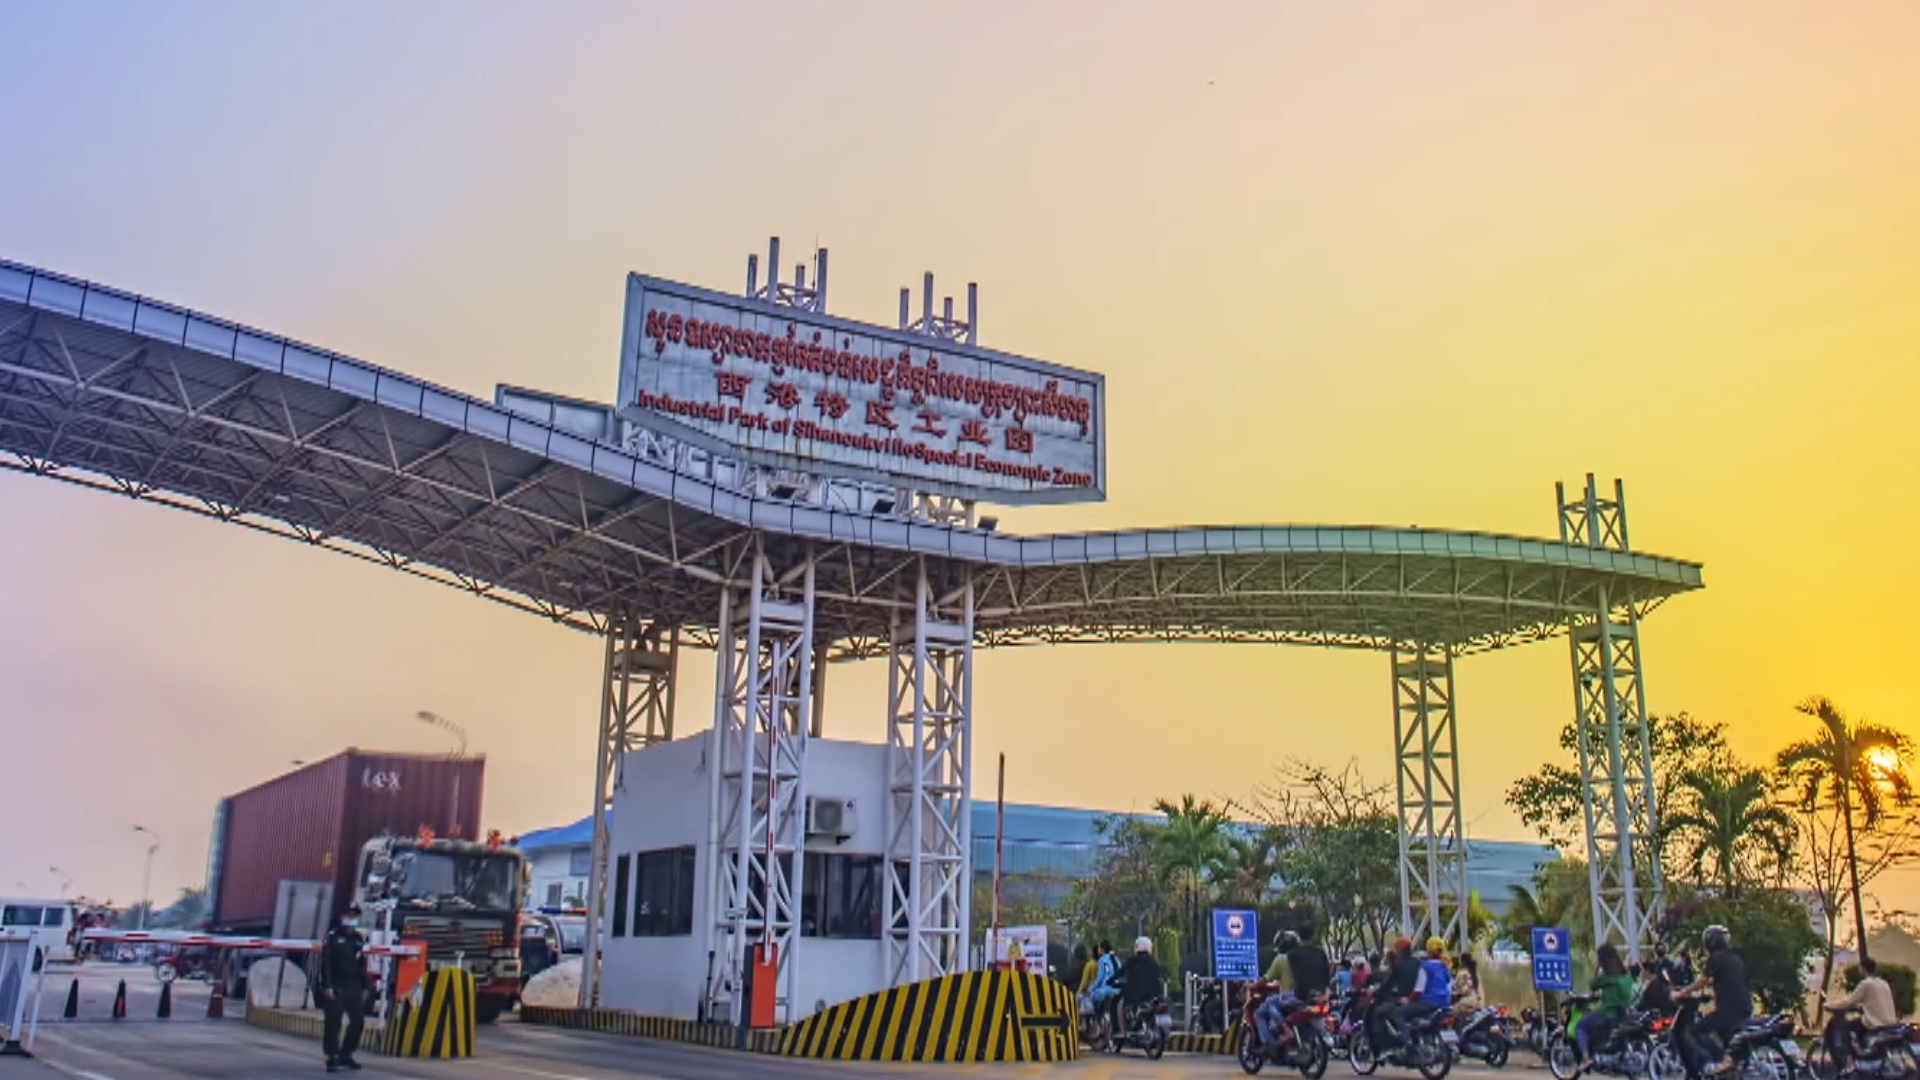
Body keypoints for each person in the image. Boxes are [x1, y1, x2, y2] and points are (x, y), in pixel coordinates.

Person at [1679, 925, 1750, 1077]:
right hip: (1744, 1007)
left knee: (1694, 1031)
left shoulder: (1716, 958)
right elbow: (1726, 980)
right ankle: (1728, 1064)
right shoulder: (1735, 958)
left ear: (1710, 942)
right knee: (1727, 1037)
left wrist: (1683, 992)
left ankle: (1712, 1062)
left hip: (1727, 1010)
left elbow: (1702, 981)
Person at [314, 905, 368, 1073]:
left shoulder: (358, 938)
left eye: (355, 916)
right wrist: (328, 985)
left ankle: (346, 1054)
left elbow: (363, 964)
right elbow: (326, 963)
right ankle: (332, 1056)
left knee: (358, 1021)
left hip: (354, 985)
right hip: (337, 985)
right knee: (333, 1022)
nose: (352, 919)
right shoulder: (333, 938)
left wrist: (365, 986)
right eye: (349, 915)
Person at [1824, 956, 1898, 1075]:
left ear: (1863, 969)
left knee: (1845, 1028)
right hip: (1890, 1021)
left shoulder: (1865, 984)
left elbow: (1849, 1001)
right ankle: (1863, 1050)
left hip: (1874, 1021)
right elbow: (1873, 1001)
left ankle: (1849, 1063)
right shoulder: (1883, 983)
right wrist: (1861, 1006)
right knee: (1858, 1025)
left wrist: (1829, 1005)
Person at [1577, 944, 1636, 1070]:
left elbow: (1592, 985)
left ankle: (1586, 1059)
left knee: (1581, 1026)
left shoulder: (1606, 976)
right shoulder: (1625, 974)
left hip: (1606, 1012)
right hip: (1621, 1013)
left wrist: (1597, 968)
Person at [1112, 936, 1163, 1036]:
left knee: (1120, 1003)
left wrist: (1110, 981)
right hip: (1154, 995)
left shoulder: (1132, 960)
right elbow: (1160, 975)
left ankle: (1121, 1030)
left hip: (1136, 996)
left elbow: (1120, 973)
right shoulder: (1154, 962)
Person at [1452, 952, 1482, 1017]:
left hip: (1465, 1003)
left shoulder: (1462, 973)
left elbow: (1461, 991)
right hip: (1476, 1002)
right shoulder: (1474, 973)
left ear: (1462, 962)